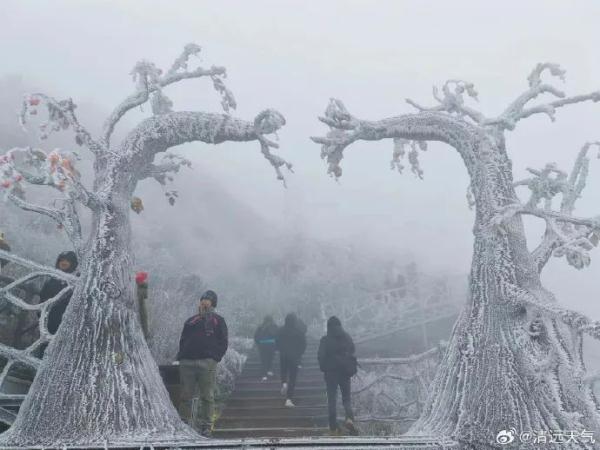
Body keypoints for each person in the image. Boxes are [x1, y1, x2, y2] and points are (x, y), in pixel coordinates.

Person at [176, 289, 228, 437]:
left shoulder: (218, 320)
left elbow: (223, 341)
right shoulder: (191, 320)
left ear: (213, 303)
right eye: (202, 299)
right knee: (185, 395)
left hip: (207, 362)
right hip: (187, 362)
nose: (204, 301)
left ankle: (206, 425)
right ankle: (184, 424)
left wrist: (215, 358)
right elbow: (183, 339)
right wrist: (182, 356)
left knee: (207, 396)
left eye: (208, 299)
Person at [318, 315, 358, 436]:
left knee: (332, 399)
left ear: (329, 327)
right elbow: (353, 349)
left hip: (331, 373)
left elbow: (320, 356)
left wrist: (324, 368)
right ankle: (349, 418)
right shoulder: (346, 337)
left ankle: (333, 426)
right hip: (345, 372)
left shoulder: (325, 339)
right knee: (346, 398)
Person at [39, 251, 78, 335]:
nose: (64, 262)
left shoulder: (75, 281)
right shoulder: (53, 278)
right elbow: (43, 295)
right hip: (47, 317)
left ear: (72, 263)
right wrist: (41, 312)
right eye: (62, 260)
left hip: (63, 320)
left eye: (67, 260)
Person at [275, 313, 306, 407]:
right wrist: (299, 353)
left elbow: (276, 341)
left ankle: (284, 383)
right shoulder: (298, 331)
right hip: (294, 357)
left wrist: (280, 349)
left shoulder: (280, 330)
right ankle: (288, 399)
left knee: (283, 371)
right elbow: (303, 344)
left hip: (283, 355)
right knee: (292, 377)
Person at [254, 315, 278, 380]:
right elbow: (277, 336)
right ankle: (269, 371)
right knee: (270, 359)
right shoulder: (274, 326)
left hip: (262, 346)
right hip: (271, 346)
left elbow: (256, 336)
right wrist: (277, 346)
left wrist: (258, 343)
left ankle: (264, 375)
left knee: (263, 360)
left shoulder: (261, 327)